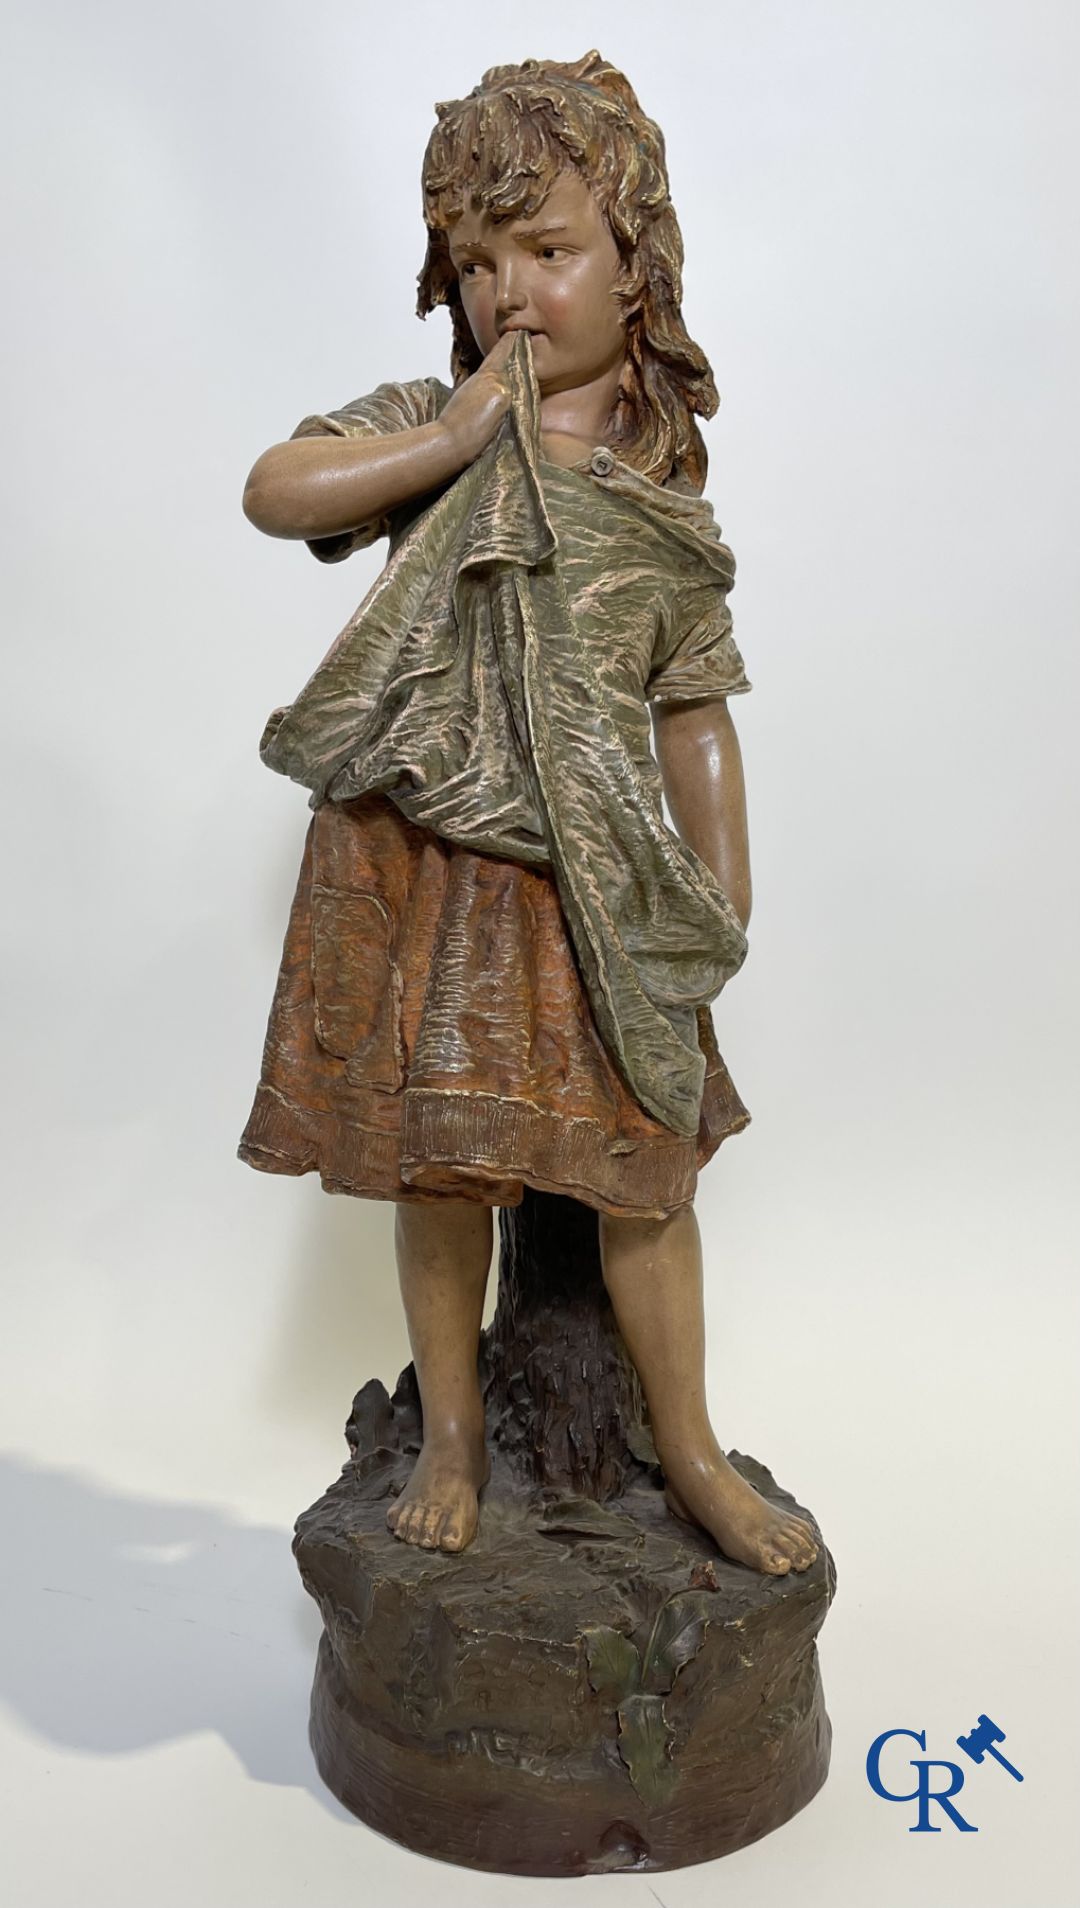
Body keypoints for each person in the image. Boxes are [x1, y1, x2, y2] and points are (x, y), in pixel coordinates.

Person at [238, 51, 817, 1577]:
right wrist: (447, 445)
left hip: (599, 890)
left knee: (646, 1175)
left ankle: (688, 1449)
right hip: (437, 866)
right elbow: (278, 488)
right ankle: (449, 1434)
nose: (509, 293)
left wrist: (721, 887)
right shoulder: (427, 428)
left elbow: (693, 711)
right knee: (442, 1173)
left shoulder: (661, 508)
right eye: (477, 261)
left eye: (547, 250)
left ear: (638, 269)